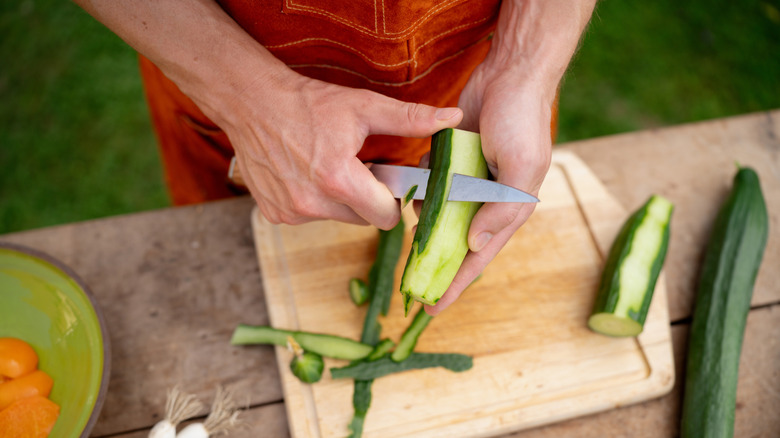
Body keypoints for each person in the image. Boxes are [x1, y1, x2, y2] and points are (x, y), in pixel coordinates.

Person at [73, 0, 597, 314]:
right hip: (225, 75)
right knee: (222, 276)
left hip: (473, 88)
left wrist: (526, 59)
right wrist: (248, 100)